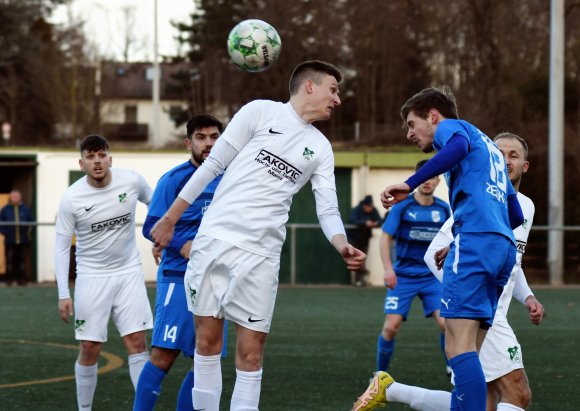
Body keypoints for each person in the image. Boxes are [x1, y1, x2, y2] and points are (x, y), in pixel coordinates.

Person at [150, 60, 366, 410]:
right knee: (207, 344)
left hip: (262, 257)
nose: (338, 99)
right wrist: (171, 218)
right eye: (334, 89)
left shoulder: (321, 148)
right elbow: (213, 165)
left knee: (251, 356)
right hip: (215, 241)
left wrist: (341, 243)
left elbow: (327, 208)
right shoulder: (260, 112)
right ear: (310, 86)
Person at [354, 87, 524, 411]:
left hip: (476, 243)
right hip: (501, 247)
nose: (409, 133)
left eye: (411, 123)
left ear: (433, 115)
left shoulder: (454, 129)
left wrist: (410, 182)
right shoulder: (490, 150)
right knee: (469, 352)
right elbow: (514, 214)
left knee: (457, 348)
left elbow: (456, 146)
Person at [134, 114, 227, 411]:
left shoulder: (232, 179)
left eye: (214, 136)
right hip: (178, 276)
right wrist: (180, 243)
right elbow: (151, 225)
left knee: (206, 359)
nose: (209, 143)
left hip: (216, 279)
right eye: (201, 137)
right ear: (189, 143)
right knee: (163, 355)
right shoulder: (174, 179)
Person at [55, 134, 154, 411]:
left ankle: (142, 408)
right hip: (91, 277)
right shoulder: (71, 199)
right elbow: (62, 247)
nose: (97, 161)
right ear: (81, 163)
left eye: (101, 155)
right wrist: (64, 293)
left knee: (137, 342)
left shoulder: (132, 181)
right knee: (90, 348)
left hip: (128, 273)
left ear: (110, 158)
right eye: (90, 156)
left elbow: (155, 203)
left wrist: (159, 237)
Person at [376, 160, 451, 374]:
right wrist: (388, 269)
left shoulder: (444, 209)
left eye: (433, 177)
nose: (428, 181)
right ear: (418, 178)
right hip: (403, 277)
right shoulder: (403, 206)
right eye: (424, 176)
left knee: (447, 325)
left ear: (438, 181)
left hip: (432, 277)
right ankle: (379, 375)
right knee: (391, 328)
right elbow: (385, 238)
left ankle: (451, 367)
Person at [0, 189, 33, 285]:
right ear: (10, 198)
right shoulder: (5, 209)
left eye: (17, 197)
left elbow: (31, 221)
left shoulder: (25, 209)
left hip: (23, 240)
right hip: (10, 240)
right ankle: (9, 280)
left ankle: (21, 280)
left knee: (21, 261)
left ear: (20, 197)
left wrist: (29, 233)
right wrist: (5, 232)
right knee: (10, 261)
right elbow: (1, 223)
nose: (15, 198)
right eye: (13, 197)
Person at [348, 195, 381, 286]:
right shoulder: (357, 210)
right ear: (364, 206)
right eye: (368, 206)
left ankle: (359, 280)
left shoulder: (373, 210)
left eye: (371, 206)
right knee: (355, 258)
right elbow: (352, 220)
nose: (370, 208)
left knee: (362, 259)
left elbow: (379, 220)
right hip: (353, 238)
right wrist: (365, 222)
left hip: (365, 238)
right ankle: (359, 278)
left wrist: (375, 223)